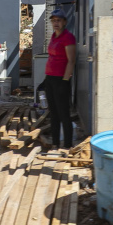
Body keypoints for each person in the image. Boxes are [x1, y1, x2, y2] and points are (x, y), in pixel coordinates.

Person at [44, 8, 76, 149]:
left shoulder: (68, 37)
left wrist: (65, 81)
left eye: (58, 20)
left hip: (61, 80)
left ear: (64, 22)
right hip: (50, 78)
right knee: (53, 113)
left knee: (64, 114)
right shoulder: (53, 36)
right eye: (53, 20)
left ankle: (68, 145)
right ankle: (55, 143)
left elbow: (71, 61)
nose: (56, 23)